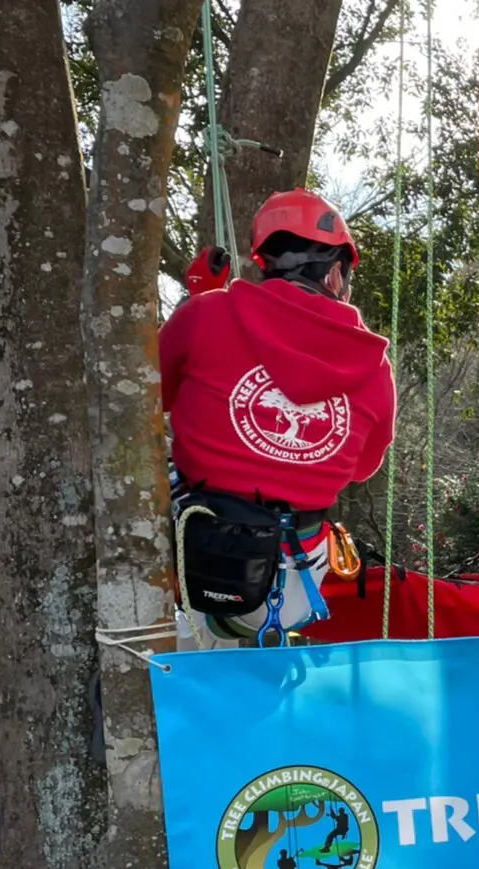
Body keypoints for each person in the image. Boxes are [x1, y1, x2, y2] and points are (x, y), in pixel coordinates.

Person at [159, 188, 396, 646]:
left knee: (161, 466)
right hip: (297, 586)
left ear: (265, 262)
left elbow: (153, 395)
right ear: (334, 273)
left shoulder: (207, 315)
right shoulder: (373, 361)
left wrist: (196, 302)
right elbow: (364, 467)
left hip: (199, 572)